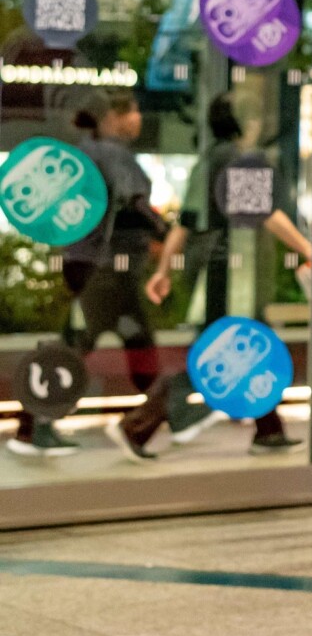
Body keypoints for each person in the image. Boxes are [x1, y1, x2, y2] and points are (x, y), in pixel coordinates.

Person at [3, 96, 182, 461]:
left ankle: (153, 419)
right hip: (107, 269)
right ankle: (39, 423)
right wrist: (169, 234)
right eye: (131, 111)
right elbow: (138, 207)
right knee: (85, 345)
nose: (137, 118)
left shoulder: (86, 151)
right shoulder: (113, 155)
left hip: (85, 263)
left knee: (126, 343)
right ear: (113, 118)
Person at [149, 94, 312, 454]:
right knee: (227, 345)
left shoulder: (210, 158)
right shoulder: (239, 160)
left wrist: (164, 269)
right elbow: (267, 214)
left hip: (210, 267)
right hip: (229, 270)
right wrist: (307, 249)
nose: (261, 122)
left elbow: (186, 222)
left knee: (245, 343)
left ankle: (268, 430)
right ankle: (140, 424)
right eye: (255, 115)